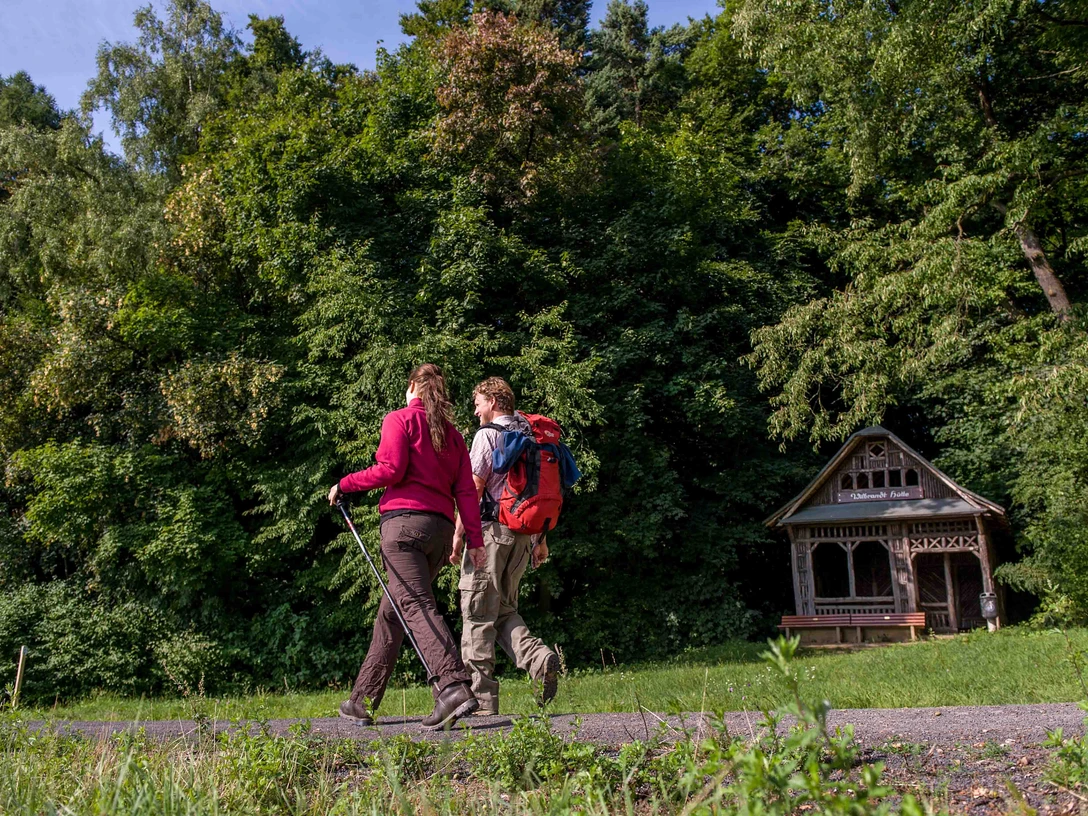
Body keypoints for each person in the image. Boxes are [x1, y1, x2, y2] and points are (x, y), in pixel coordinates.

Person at [329, 363, 487, 730]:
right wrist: (473, 542)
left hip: (403, 528)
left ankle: (452, 686)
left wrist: (345, 484)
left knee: (414, 605)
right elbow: (465, 491)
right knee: (393, 612)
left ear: (414, 386)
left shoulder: (399, 419)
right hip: (440, 531)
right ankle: (361, 700)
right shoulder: (452, 435)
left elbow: (390, 469)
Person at [450, 377, 561, 715]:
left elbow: (474, 489)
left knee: (477, 613)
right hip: (523, 538)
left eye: (478, 401)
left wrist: (459, 536)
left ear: (494, 402)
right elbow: (537, 492)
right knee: (503, 612)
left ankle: (481, 701)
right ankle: (540, 660)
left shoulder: (488, 436)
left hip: (489, 534)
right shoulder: (530, 435)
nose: (474, 409)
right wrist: (541, 540)